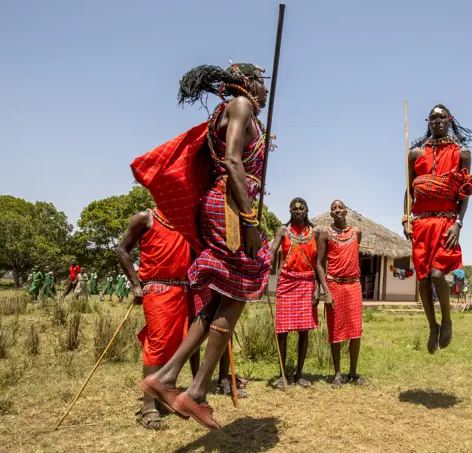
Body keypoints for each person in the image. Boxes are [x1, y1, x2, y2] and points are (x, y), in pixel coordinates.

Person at [135, 62, 271, 430]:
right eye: (262, 82)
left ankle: (167, 377)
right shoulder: (240, 105)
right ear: (247, 82)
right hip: (229, 210)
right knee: (239, 289)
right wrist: (250, 220)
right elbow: (232, 161)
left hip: (225, 205)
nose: (265, 90)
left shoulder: (229, 110)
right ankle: (195, 392)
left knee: (216, 301)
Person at [403, 104, 472, 354]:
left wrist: (459, 223)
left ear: (450, 120)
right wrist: (406, 217)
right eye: (432, 118)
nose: (436, 121)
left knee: (437, 275)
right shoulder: (416, 154)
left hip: (447, 223)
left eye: (441, 118)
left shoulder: (462, 153)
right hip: (422, 223)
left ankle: (447, 319)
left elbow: (464, 194)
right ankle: (432, 326)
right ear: (428, 122)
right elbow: (409, 190)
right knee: (423, 281)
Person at [116, 208, 194, 430]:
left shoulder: (186, 219)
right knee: (158, 345)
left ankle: (164, 397)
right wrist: (134, 283)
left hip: (181, 290)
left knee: (175, 346)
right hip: (157, 290)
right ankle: (148, 405)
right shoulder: (145, 218)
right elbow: (122, 250)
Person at [269, 198, 319, 388]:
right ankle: (282, 374)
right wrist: (264, 265)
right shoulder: (283, 231)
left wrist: (319, 289)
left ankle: (299, 374)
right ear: (290, 210)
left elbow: (320, 263)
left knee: (304, 331)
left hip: (307, 283)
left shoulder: (315, 233)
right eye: (294, 208)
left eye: (301, 208)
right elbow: (272, 251)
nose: (298, 211)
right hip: (286, 282)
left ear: (307, 210)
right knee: (282, 331)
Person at [316, 200, 365, 388]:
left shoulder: (357, 233)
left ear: (346, 211)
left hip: (353, 286)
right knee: (335, 331)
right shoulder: (325, 234)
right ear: (331, 214)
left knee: (355, 331)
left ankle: (352, 372)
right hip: (334, 286)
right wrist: (325, 291)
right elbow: (319, 264)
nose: (337, 210)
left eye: (340, 207)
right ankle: (337, 373)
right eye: (333, 208)